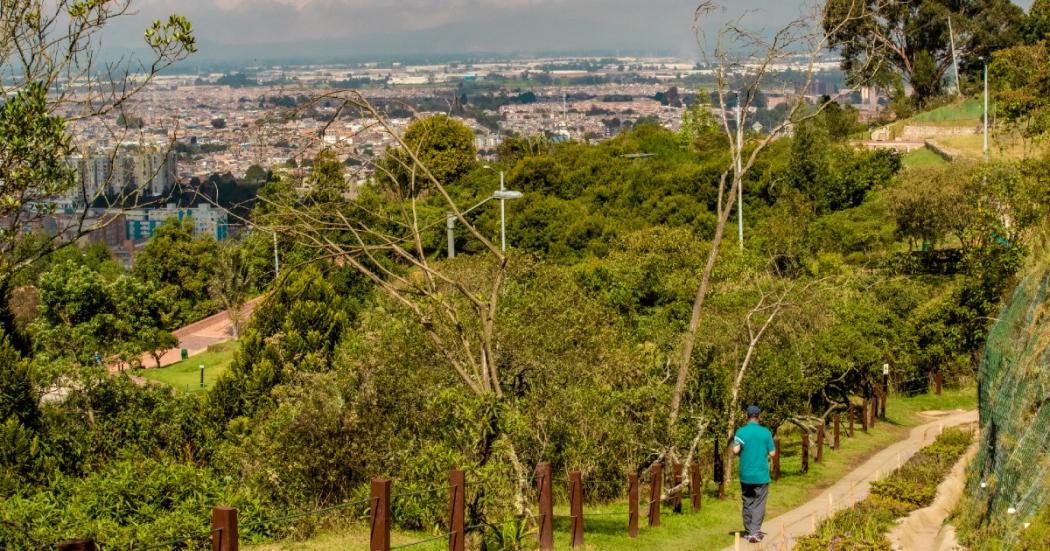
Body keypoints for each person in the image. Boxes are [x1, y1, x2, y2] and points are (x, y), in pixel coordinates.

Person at [732, 404, 776, 543]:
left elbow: (735, 450)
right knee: (759, 503)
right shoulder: (766, 432)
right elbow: (772, 453)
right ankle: (755, 532)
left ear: (746, 416)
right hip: (761, 474)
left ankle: (748, 530)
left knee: (747, 501)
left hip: (745, 474)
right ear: (759, 416)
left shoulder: (740, 432)